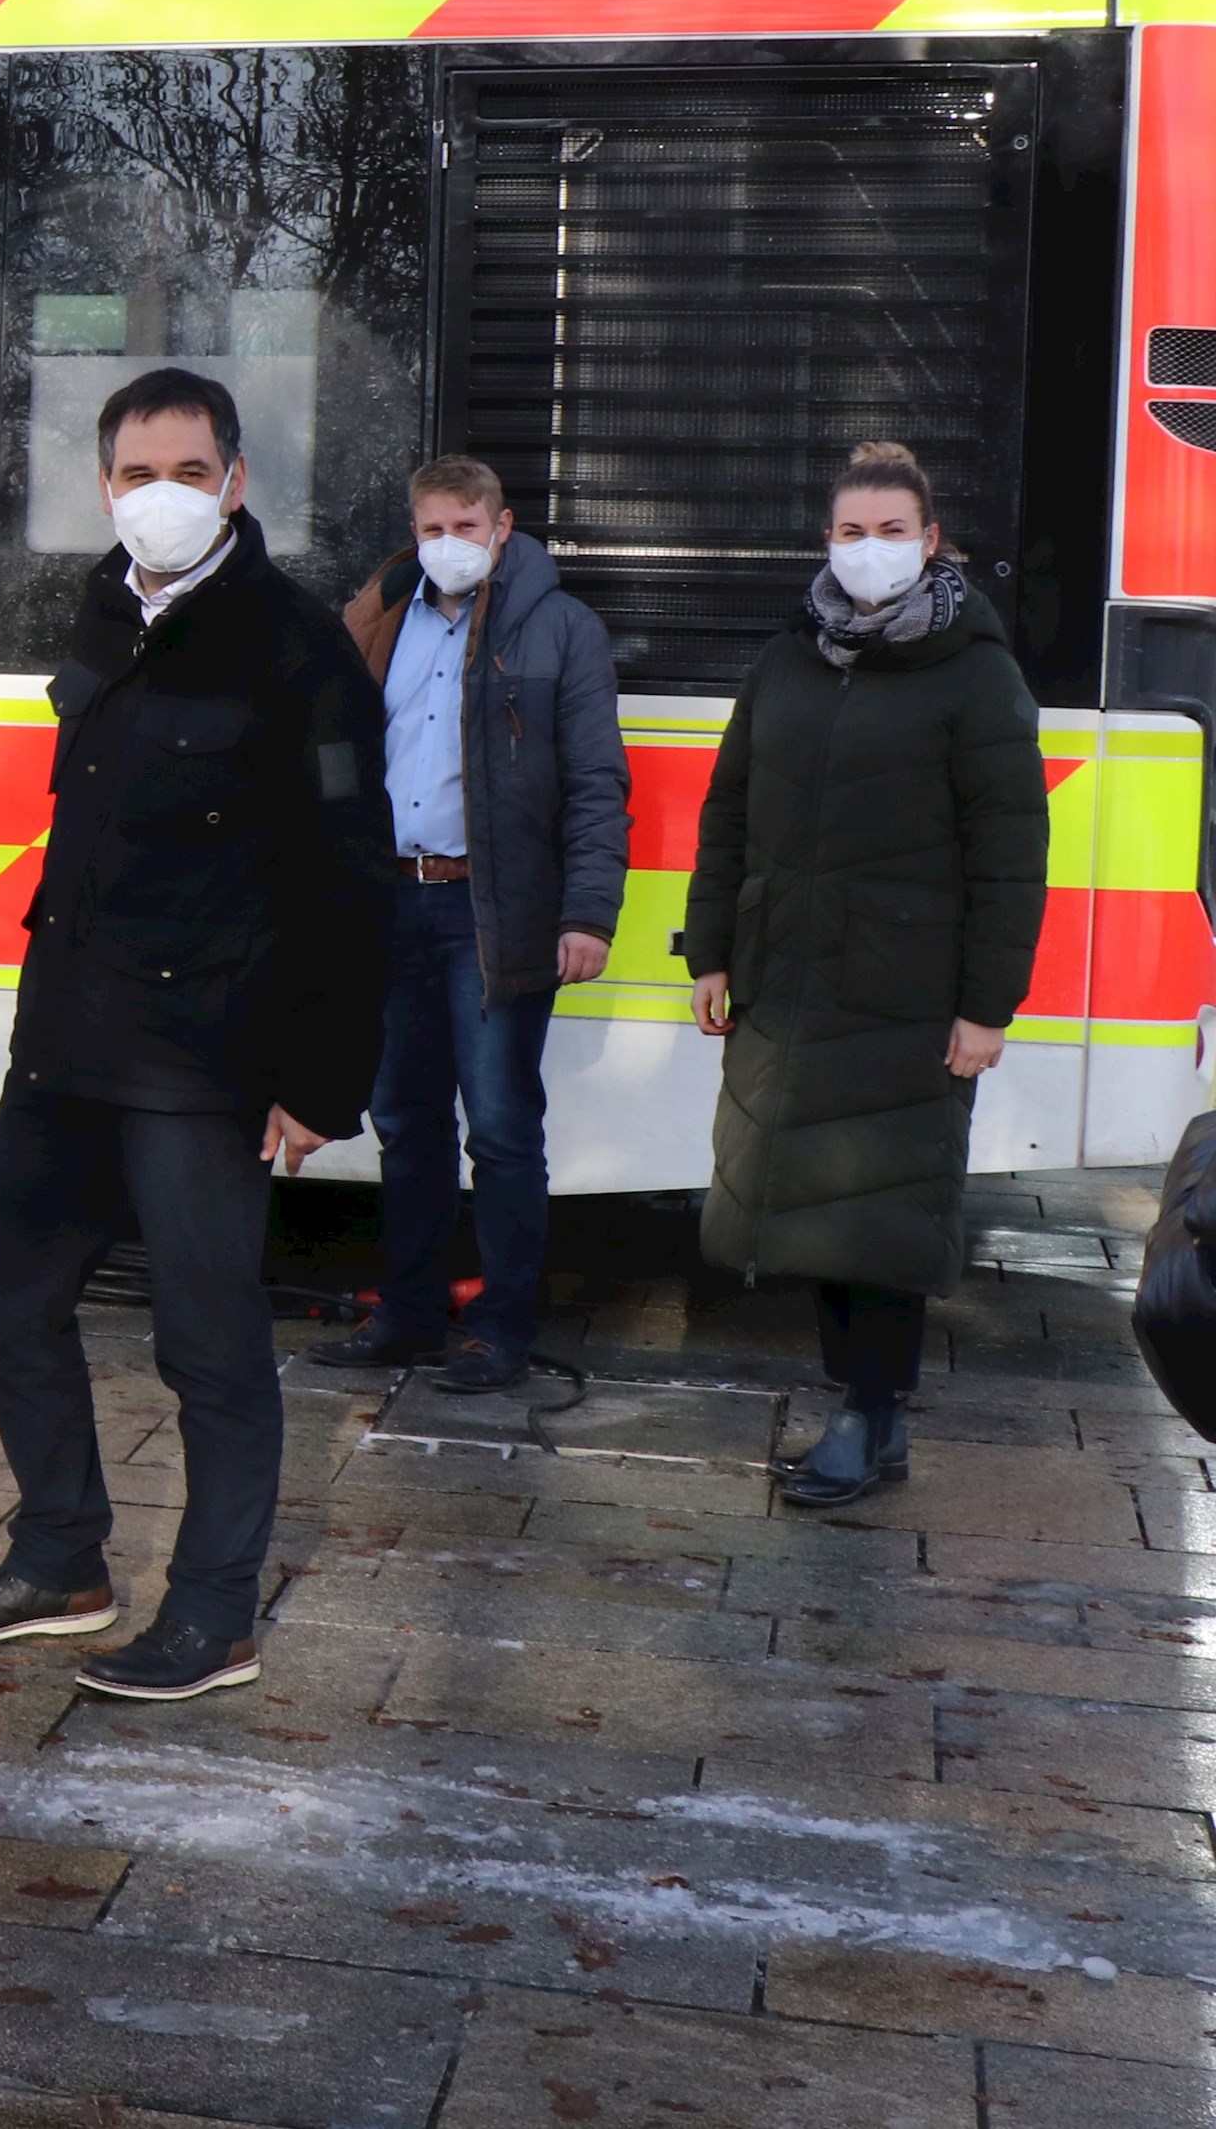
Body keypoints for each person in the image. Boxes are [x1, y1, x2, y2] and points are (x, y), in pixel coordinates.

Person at [0, 368, 391, 1702]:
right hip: (68, 1036)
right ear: (104, 486)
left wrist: (320, 1079)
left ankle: (214, 1614)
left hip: (203, 1055)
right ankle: (61, 1557)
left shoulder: (298, 648)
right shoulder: (102, 613)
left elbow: (353, 879)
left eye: (187, 473)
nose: (159, 497)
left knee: (208, 1343)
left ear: (234, 482)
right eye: (134, 474)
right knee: (7, 1292)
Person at [686, 441, 1047, 1509]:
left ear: (931, 542)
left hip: (906, 993)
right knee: (811, 1212)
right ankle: (864, 1413)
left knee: (882, 1218)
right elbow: (729, 814)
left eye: (892, 531)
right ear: (826, 541)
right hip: (788, 982)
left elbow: (1010, 853)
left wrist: (988, 1006)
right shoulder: (788, 657)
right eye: (851, 531)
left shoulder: (978, 671)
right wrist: (709, 948)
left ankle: (866, 1411)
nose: (870, 550)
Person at [312, 457, 630, 1394]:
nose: (445, 543)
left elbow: (597, 784)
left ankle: (499, 1329)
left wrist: (587, 913)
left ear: (502, 524)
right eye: (428, 527)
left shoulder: (562, 630)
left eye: (463, 524)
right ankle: (408, 1315)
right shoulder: (384, 621)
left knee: (498, 1127)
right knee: (404, 1121)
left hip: (492, 909)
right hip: (389, 899)